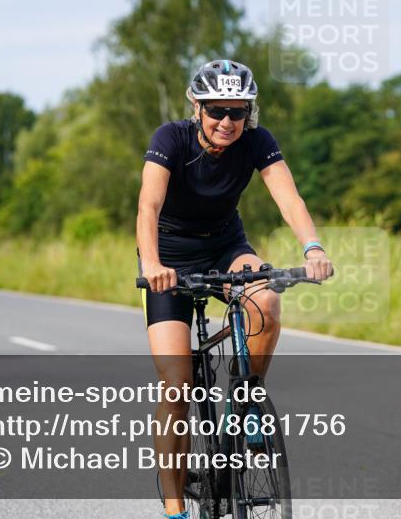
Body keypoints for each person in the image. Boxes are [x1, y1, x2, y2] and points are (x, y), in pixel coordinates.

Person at [137, 59, 334, 519]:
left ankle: (245, 403)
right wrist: (152, 264)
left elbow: (289, 197)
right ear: (197, 108)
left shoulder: (257, 142)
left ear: (250, 114)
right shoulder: (171, 139)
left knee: (264, 298)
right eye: (217, 110)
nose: (227, 121)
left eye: (238, 112)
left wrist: (313, 248)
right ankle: (174, 508)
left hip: (226, 246)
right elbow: (148, 205)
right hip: (169, 259)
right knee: (176, 384)